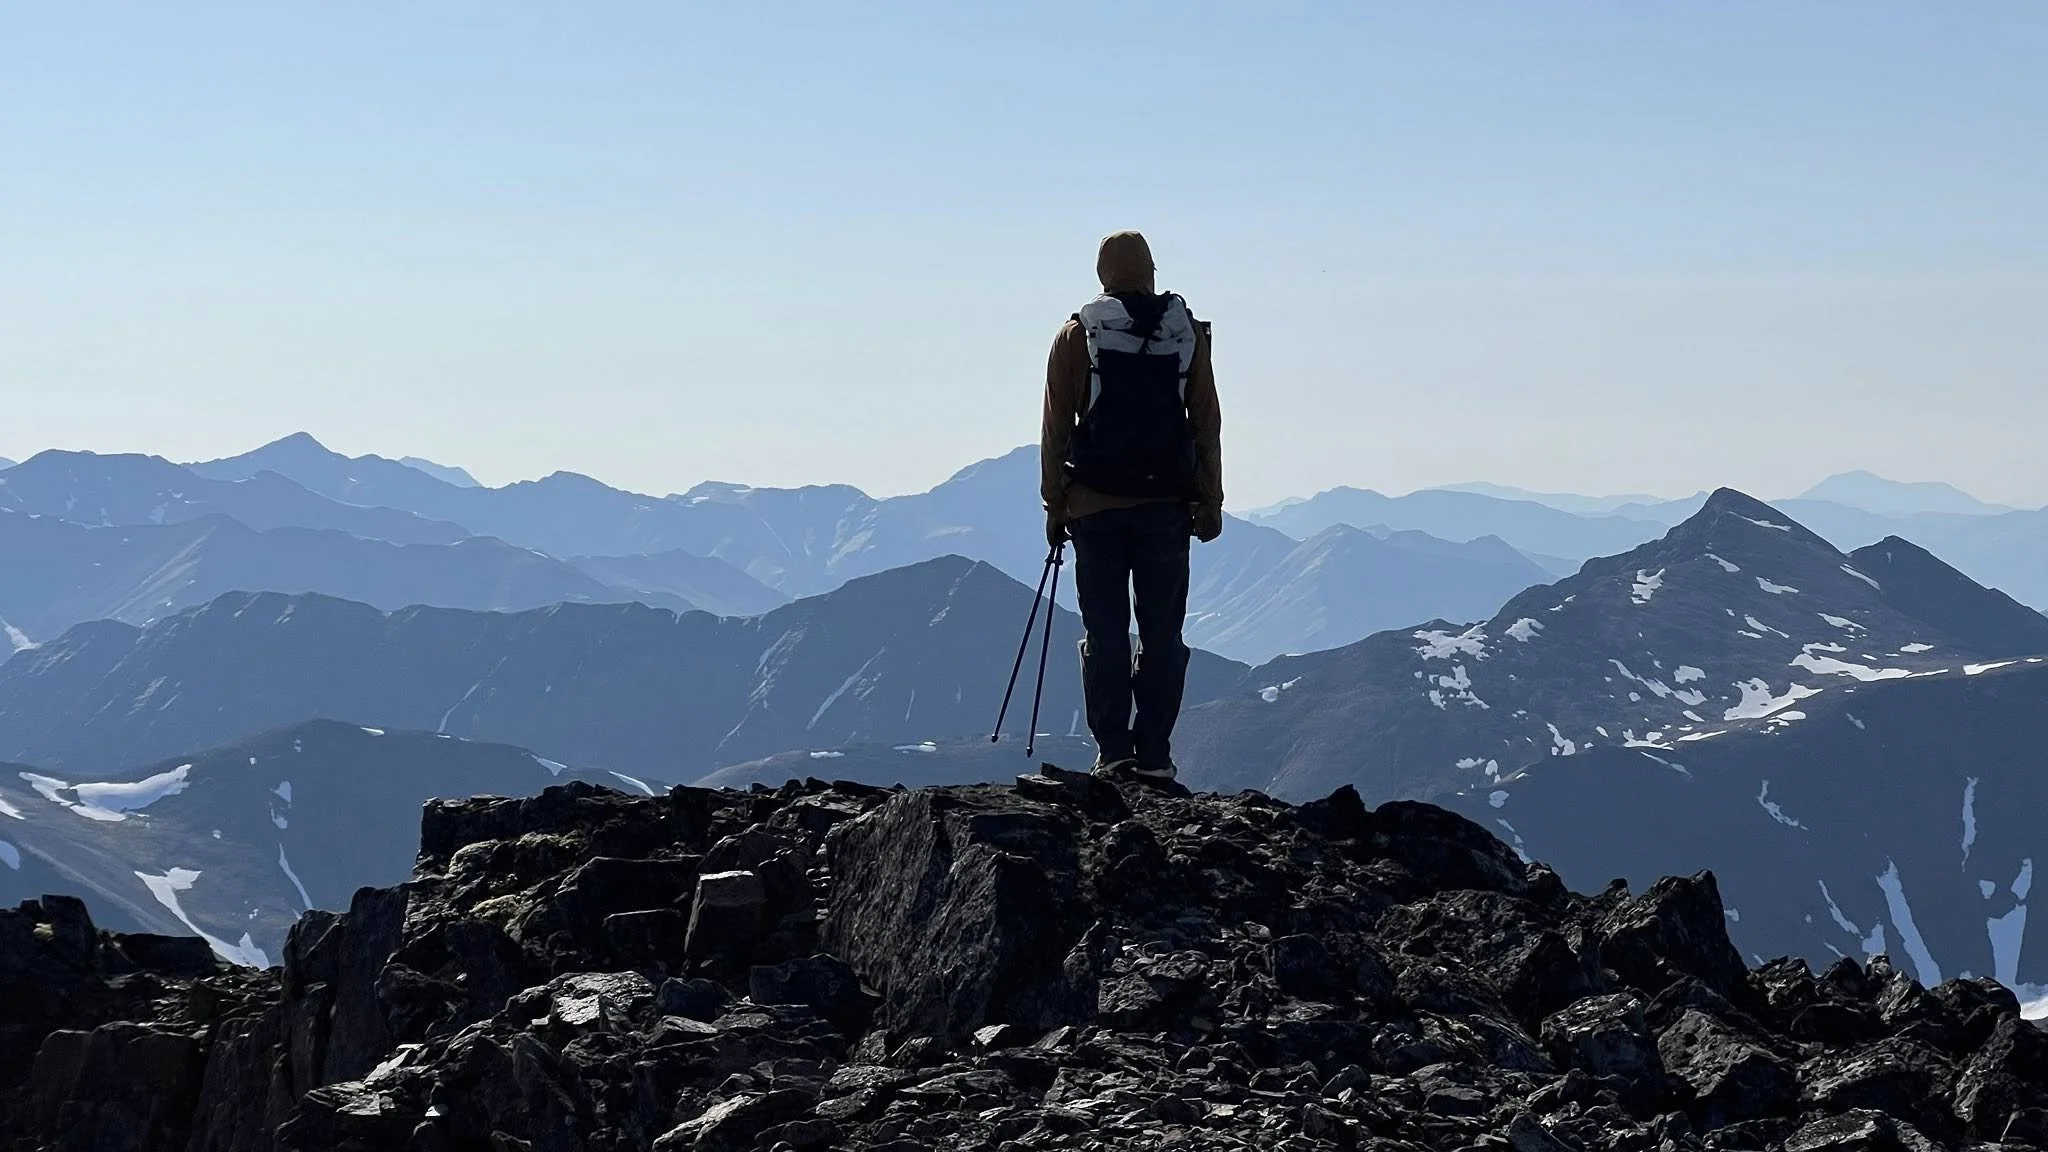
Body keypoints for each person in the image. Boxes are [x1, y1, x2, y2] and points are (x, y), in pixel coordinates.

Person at [1040, 230, 1223, 782]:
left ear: (1103, 273)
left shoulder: (1078, 334)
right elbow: (1206, 422)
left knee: (1106, 630)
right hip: (1166, 506)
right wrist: (1209, 499)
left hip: (1095, 506)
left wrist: (1055, 503)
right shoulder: (1184, 334)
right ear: (1150, 271)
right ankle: (1156, 755)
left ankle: (1114, 751)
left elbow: (1055, 427)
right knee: (1163, 631)